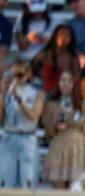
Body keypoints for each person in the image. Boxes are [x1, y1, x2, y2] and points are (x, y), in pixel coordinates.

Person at [40, 69, 85, 190]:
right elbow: (47, 133)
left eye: (69, 81)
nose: (66, 84)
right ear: (58, 83)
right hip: (58, 149)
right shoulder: (52, 105)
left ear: (75, 84)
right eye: (63, 80)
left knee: (75, 192)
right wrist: (54, 125)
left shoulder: (84, 104)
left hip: (78, 150)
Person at [0, 59, 44, 189]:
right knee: (6, 182)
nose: (16, 79)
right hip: (9, 137)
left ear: (28, 74)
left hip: (27, 138)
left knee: (27, 182)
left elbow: (33, 115)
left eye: (20, 75)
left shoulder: (37, 93)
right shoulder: (6, 92)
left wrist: (18, 98)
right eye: (14, 75)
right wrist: (2, 94)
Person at [32, 24, 81, 94]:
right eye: (61, 35)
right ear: (55, 37)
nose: (63, 38)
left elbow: (76, 79)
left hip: (64, 95)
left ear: (71, 39)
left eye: (67, 36)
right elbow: (32, 73)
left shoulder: (73, 58)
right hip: (45, 94)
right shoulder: (44, 55)